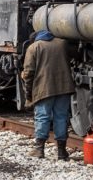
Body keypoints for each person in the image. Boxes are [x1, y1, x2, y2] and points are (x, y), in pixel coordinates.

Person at [22, 30, 75, 160]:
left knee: (42, 117)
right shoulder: (62, 43)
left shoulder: (34, 47)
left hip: (43, 88)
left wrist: (29, 93)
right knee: (61, 117)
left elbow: (28, 73)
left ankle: (39, 149)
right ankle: (61, 152)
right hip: (64, 87)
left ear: (35, 39)